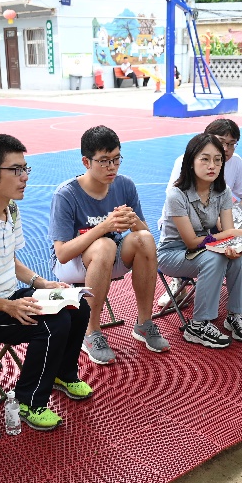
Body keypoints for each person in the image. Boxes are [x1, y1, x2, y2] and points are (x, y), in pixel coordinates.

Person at [0, 134, 92, 432]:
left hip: (10, 297)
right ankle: (29, 401)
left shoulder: (10, 209)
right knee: (51, 325)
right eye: (15, 170)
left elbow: (9, 260)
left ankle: (63, 374)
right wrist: (7, 306)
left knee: (78, 307)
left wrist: (43, 283)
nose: (24, 177)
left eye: (25, 168)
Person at [49, 125, 169, 365]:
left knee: (144, 238)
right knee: (104, 244)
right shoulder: (66, 194)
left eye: (116, 159)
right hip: (73, 264)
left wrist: (133, 220)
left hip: (110, 258)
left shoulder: (125, 185)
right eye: (104, 161)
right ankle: (90, 331)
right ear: (86, 162)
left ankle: (144, 323)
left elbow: (144, 233)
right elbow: (62, 254)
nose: (112, 167)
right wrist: (104, 226)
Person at [157, 133, 242, 349]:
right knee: (214, 258)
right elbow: (192, 242)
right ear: (191, 162)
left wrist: (235, 247)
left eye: (218, 160)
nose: (212, 165)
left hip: (205, 249)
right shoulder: (176, 194)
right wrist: (229, 236)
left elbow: (229, 233)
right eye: (205, 159)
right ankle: (198, 325)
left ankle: (235, 315)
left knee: (238, 259)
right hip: (173, 253)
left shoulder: (223, 191)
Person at [159, 118, 242, 307]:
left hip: (213, 222)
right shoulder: (184, 166)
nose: (226, 149)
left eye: (232, 144)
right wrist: (227, 229)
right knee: (216, 254)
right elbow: (177, 203)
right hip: (184, 227)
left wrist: (229, 221)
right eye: (221, 142)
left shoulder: (233, 168)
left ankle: (241, 301)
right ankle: (181, 286)